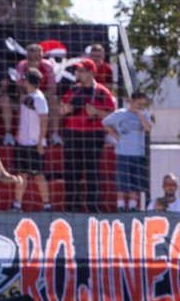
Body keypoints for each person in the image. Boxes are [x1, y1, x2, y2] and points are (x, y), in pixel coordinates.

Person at [58, 61, 116, 211]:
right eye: (78, 71)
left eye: (82, 71)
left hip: (93, 135)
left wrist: (97, 112)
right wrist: (66, 109)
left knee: (92, 171)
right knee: (71, 171)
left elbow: (113, 115)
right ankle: (72, 206)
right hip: (72, 133)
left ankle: (92, 205)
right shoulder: (73, 90)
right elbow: (61, 110)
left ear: (91, 73)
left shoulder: (102, 92)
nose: (79, 74)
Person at [11, 68, 52, 211]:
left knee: (38, 175)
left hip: (34, 143)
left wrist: (41, 141)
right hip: (22, 142)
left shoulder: (39, 98)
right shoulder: (27, 96)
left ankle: (47, 205)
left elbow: (44, 120)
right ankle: (17, 205)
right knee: (21, 174)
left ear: (28, 81)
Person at [103, 93, 153, 211]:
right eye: (138, 104)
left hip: (138, 154)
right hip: (123, 153)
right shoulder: (120, 114)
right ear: (132, 101)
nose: (140, 106)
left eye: (143, 104)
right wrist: (116, 136)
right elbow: (105, 123)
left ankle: (132, 206)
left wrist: (140, 115)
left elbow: (148, 128)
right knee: (122, 182)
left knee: (135, 183)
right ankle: (120, 205)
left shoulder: (144, 113)